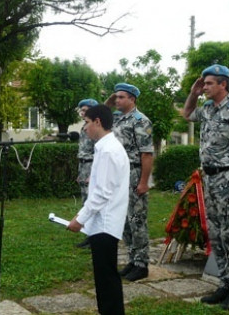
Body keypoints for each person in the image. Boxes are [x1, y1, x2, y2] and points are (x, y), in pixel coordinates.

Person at [183, 64, 229, 310]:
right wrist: (193, 93)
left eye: (208, 83)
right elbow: (187, 114)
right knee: (215, 234)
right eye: (203, 83)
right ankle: (224, 284)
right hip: (210, 179)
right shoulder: (207, 108)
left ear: (223, 84)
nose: (204, 87)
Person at [68, 104, 130, 315]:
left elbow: (102, 193)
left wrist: (81, 219)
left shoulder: (108, 150)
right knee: (105, 279)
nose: (84, 128)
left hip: (105, 223)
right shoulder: (105, 147)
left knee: (106, 279)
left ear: (98, 122)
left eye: (86, 122)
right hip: (104, 222)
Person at [104, 83, 153, 282]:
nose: (117, 100)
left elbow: (147, 154)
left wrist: (143, 182)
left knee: (137, 220)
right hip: (118, 175)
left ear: (132, 99)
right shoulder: (115, 118)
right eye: (116, 97)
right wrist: (111, 97)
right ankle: (133, 259)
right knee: (124, 220)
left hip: (134, 173)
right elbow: (100, 111)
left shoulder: (141, 121)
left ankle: (142, 264)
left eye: (121, 97)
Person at [75, 98, 99, 249]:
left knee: (92, 201)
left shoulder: (96, 128)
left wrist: (92, 174)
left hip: (91, 165)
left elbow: (98, 151)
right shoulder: (83, 127)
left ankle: (95, 236)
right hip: (83, 165)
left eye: (85, 110)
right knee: (85, 202)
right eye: (81, 110)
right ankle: (88, 234)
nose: (82, 113)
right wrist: (80, 174)